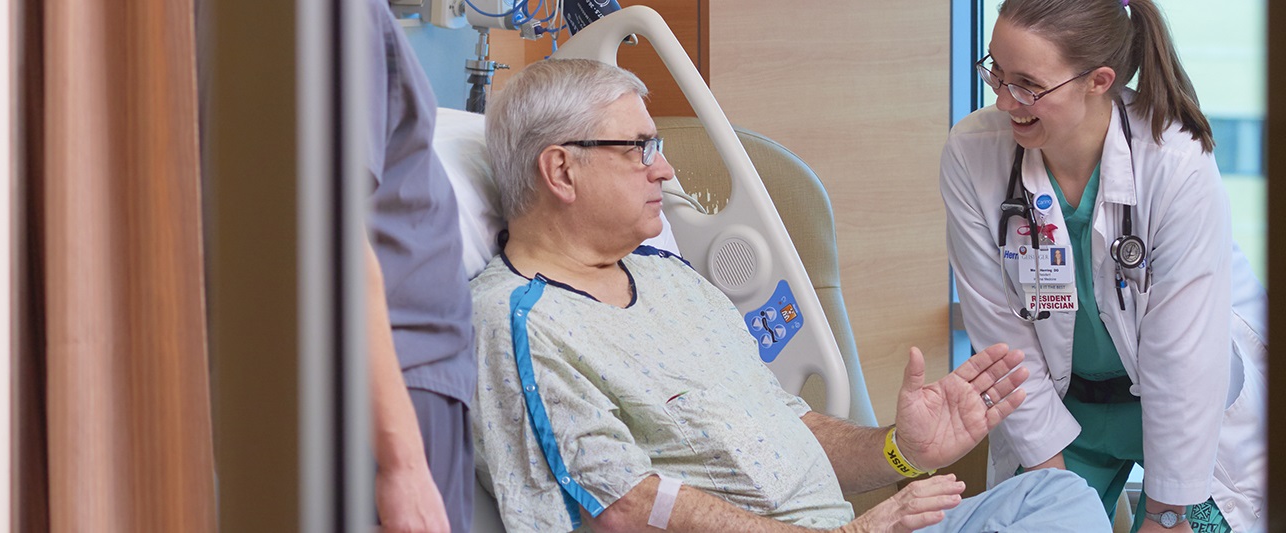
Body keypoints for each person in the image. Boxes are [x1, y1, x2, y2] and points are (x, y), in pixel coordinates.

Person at [470, 58, 1111, 533]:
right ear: (560, 170)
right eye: (639, 149)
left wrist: (901, 450)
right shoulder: (518, 321)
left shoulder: (672, 281)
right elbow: (624, 506)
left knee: (1061, 501)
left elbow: (788, 433)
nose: (663, 169)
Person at [939, 0, 1268, 531]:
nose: (1002, 101)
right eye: (995, 72)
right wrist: (1053, 492)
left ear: (1099, 80)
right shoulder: (972, 152)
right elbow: (1002, 339)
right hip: (1061, 410)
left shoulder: (1174, 159)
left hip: (1187, 411)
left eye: (1027, 84)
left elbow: (1182, 355)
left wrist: (1167, 514)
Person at [362, 1, 478, 531]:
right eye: (638, 148)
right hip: (391, 386)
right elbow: (324, 236)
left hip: (405, 375)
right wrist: (401, 463)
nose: (661, 170)